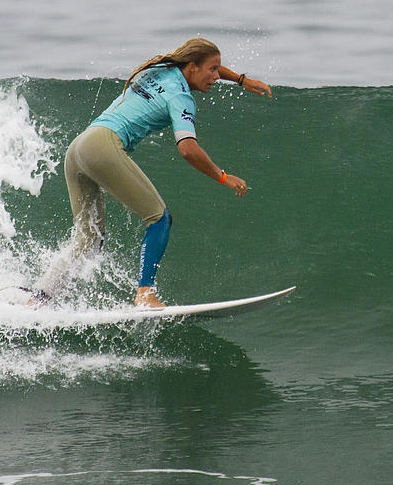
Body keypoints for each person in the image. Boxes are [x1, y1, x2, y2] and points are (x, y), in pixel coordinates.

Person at [33, 37, 272, 308]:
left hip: (79, 147)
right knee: (159, 219)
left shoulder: (160, 69)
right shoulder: (181, 97)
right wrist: (223, 176)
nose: (217, 77)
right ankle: (145, 293)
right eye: (213, 70)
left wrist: (241, 80)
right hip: (103, 146)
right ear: (192, 67)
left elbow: (202, 61)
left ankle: (40, 297)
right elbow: (188, 149)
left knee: (88, 240)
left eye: (219, 70)